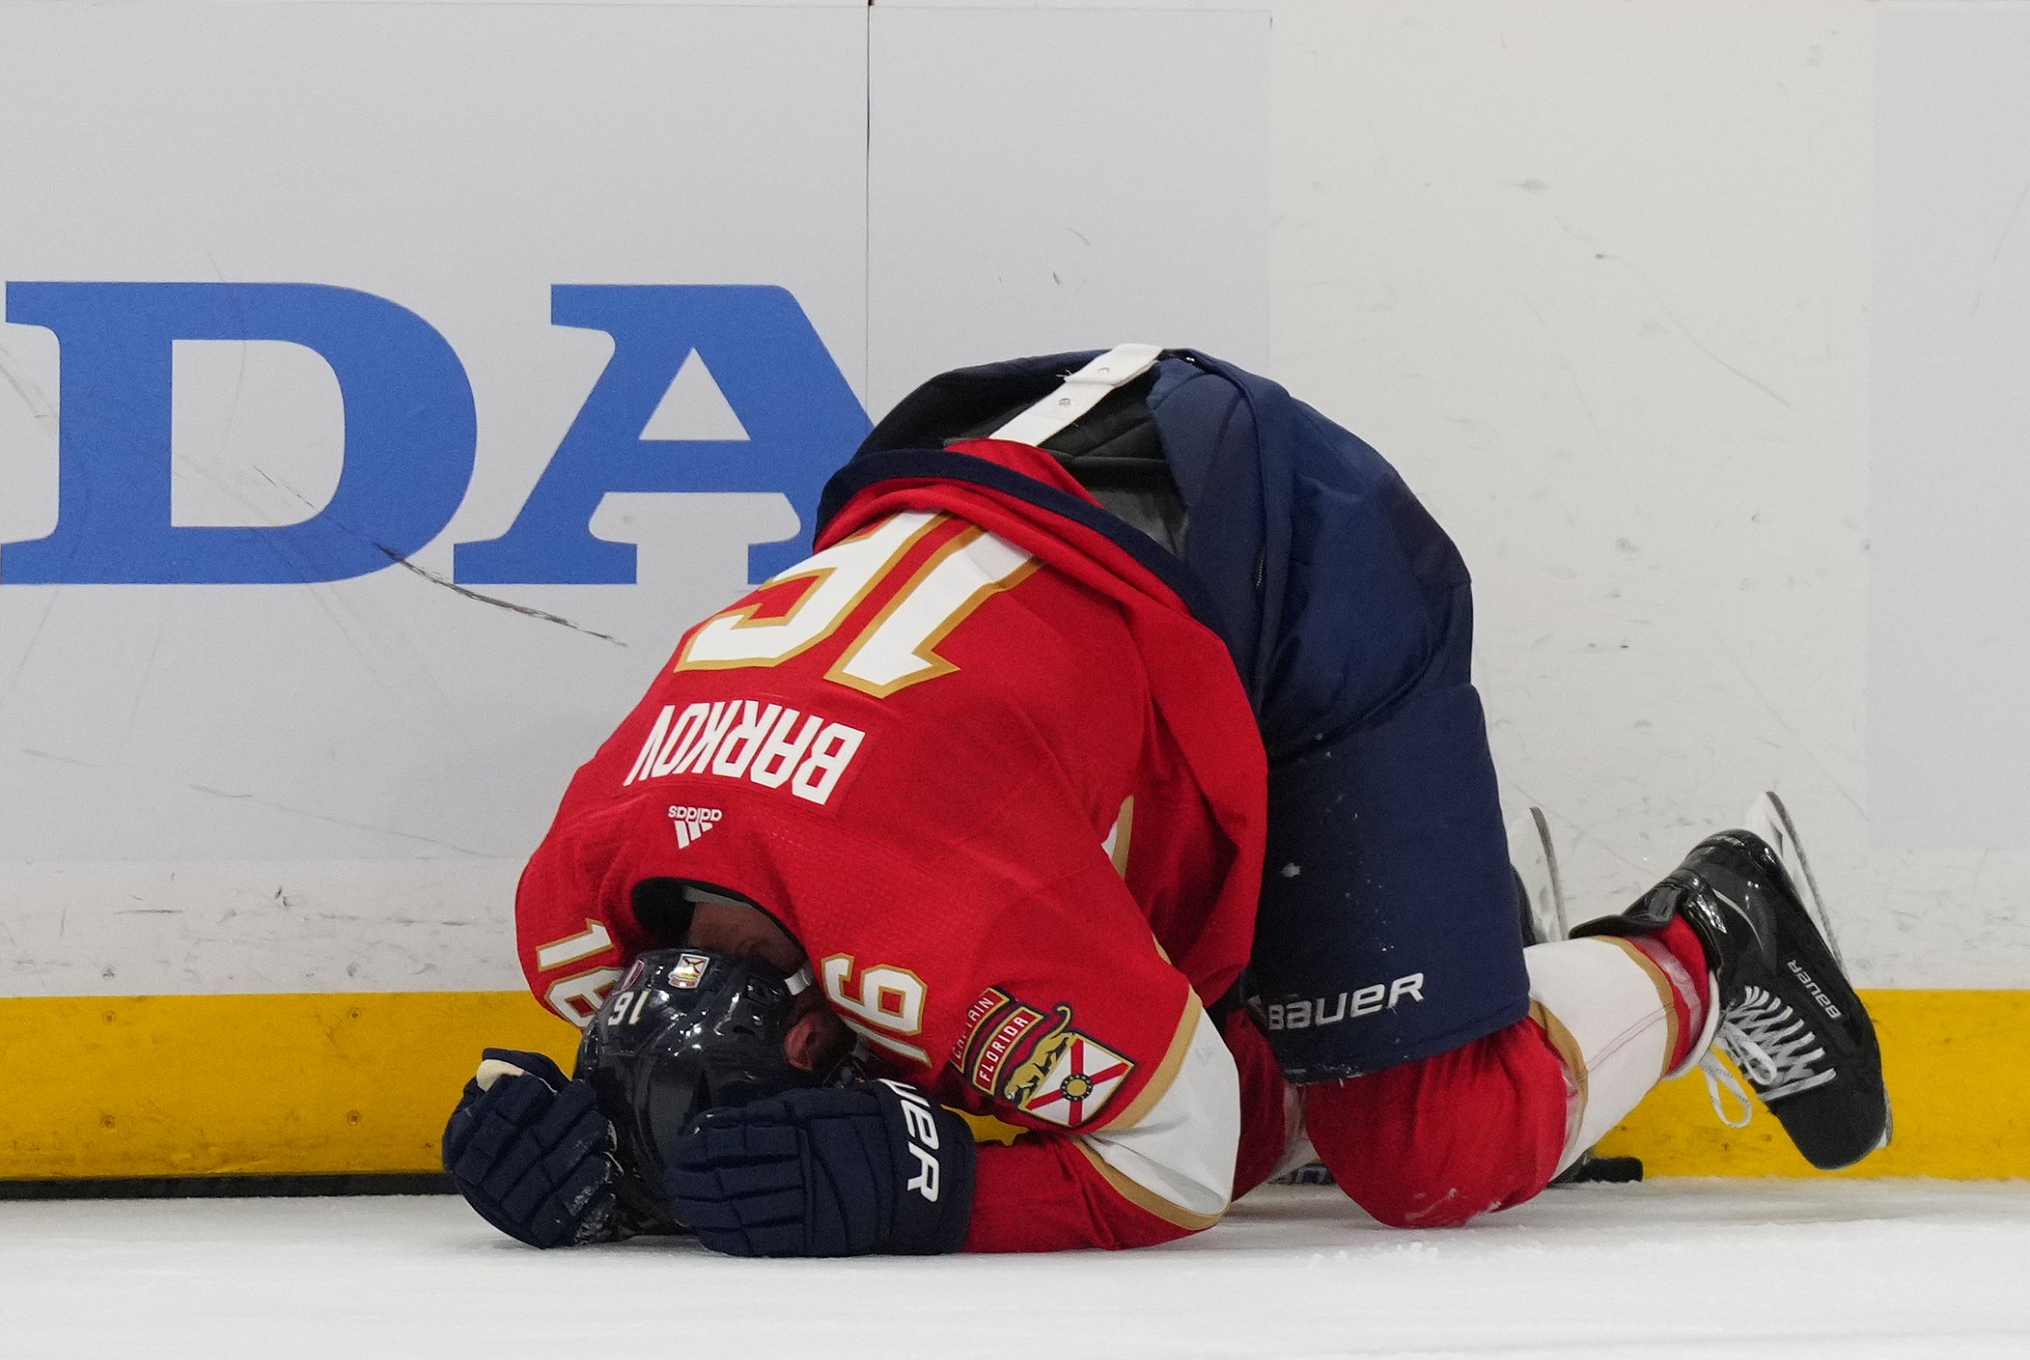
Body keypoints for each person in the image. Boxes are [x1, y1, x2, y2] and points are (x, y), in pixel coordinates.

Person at [442, 345, 1890, 1256]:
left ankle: (1712, 933)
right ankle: (1397, 956)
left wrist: (934, 1192)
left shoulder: (941, 929)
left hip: (1279, 552)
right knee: (1130, 1053)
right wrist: (610, 1165)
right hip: (998, 480)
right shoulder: (572, 913)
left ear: (825, 1025)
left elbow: (1182, 1162)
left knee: (1424, 1150)